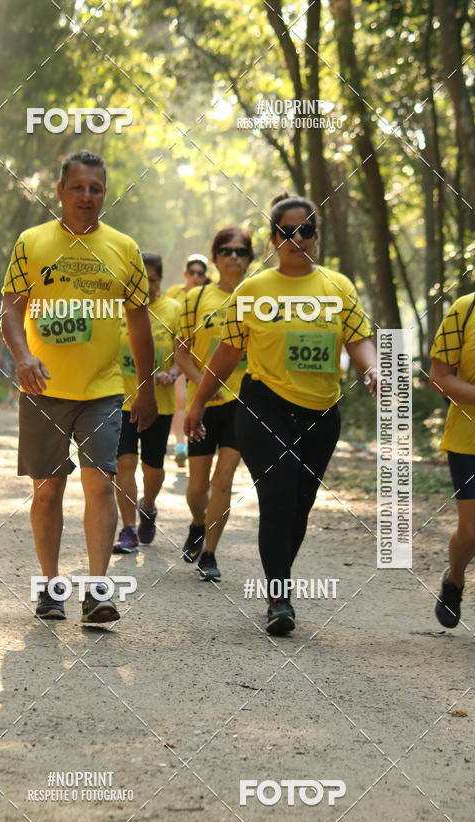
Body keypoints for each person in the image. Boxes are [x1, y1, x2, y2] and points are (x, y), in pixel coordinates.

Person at [185, 193, 377, 634]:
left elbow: (358, 339)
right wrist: (197, 403)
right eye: (287, 231)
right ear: (274, 238)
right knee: (278, 500)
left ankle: (279, 583)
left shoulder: (338, 287)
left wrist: (375, 369)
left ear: (316, 236)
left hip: (321, 412)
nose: (297, 238)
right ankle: (279, 599)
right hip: (263, 405)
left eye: (306, 229)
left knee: (300, 507)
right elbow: (228, 351)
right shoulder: (254, 290)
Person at [0, 150, 157, 624]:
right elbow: (10, 308)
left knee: (100, 482)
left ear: (103, 194)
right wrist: (23, 356)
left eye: (95, 189)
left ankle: (98, 591)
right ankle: (50, 587)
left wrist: (145, 388)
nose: (87, 196)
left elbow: (139, 324)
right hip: (44, 389)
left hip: (102, 389)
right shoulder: (33, 243)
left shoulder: (124, 249)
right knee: (47, 490)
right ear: (60, 192)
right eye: (78, 188)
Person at [175, 227, 253, 581]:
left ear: (250, 257)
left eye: (241, 251)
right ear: (215, 257)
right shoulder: (196, 299)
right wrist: (201, 384)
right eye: (226, 250)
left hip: (243, 400)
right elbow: (181, 349)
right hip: (204, 402)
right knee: (197, 487)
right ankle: (197, 522)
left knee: (224, 481)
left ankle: (209, 552)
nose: (234, 256)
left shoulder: (260, 298)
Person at [113, 252, 181, 553]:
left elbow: (183, 354)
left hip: (158, 402)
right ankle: (127, 529)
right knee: (123, 463)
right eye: (139, 279)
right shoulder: (116, 309)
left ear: (160, 280)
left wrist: (172, 372)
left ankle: (148, 507)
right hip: (122, 399)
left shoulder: (174, 310)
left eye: (151, 280)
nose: (145, 286)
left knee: (152, 468)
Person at [429, 286, 475, 630]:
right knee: (474, 531)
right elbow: (439, 378)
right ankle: (454, 577)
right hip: (470, 436)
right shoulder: (468, 308)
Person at [166, 253, 210, 466]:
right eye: (191, 272)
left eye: (200, 273)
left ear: (205, 276)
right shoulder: (174, 294)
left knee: (190, 399)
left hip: (199, 354)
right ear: (185, 273)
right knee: (180, 400)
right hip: (178, 351)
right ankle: (181, 445)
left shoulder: (208, 296)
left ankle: (199, 438)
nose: (195, 277)